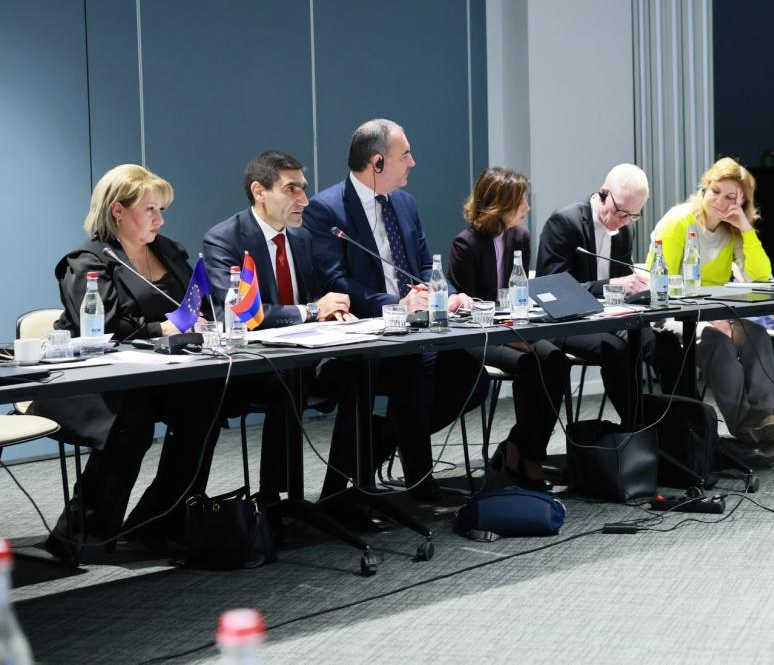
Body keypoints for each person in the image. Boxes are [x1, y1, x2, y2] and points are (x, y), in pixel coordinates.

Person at [33, 165, 224, 560]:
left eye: (162, 210)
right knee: (131, 423)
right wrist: (161, 329)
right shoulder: (87, 261)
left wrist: (200, 321)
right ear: (118, 210)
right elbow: (103, 328)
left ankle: (160, 520)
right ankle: (82, 533)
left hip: (159, 373)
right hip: (97, 380)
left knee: (206, 404)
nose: (160, 219)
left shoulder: (169, 250)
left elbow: (194, 302)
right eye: (150, 209)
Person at [303, 119, 484, 502]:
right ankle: (419, 483)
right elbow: (336, 281)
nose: (413, 163)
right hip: (365, 337)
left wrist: (447, 294)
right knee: (414, 375)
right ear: (378, 162)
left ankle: (383, 439)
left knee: (471, 375)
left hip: (416, 329)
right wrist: (395, 306)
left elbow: (423, 265)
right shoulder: (327, 209)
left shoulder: (404, 202)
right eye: (406, 155)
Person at [202, 151, 380, 528]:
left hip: (305, 356)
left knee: (363, 372)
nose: (304, 200)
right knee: (287, 383)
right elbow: (241, 314)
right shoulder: (225, 239)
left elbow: (319, 292)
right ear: (259, 191)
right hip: (254, 367)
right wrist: (313, 310)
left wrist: (336, 310)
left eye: (304, 188)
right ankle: (275, 501)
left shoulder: (301, 237)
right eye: (291, 189)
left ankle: (339, 493)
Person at [646, 158, 774, 453]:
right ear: (704, 189)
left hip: (715, 310)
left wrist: (746, 229)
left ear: (742, 202)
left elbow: (761, 276)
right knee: (716, 340)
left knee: (755, 334)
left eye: (730, 197)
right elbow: (661, 282)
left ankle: (767, 418)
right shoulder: (679, 220)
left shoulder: (733, 229)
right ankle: (746, 426)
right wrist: (707, 317)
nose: (719, 201)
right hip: (672, 312)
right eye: (715, 191)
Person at [535, 163, 684, 426]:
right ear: (603, 193)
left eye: (633, 215)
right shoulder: (565, 222)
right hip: (568, 322)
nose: (624, 221)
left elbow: (623, 284)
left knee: (667, 345)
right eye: (621, 212)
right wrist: (614, 284)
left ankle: (683, 428)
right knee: (618, 350)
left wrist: (642, 287)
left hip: (612, 318)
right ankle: (637, 427)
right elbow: (552, 289)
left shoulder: (624, 229)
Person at [450, 167, 569, 490]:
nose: (527, 207)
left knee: (556, 359)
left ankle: (519, 446)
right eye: (520, 202)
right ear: (499, 204)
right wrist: (512, 337)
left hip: (514, 327)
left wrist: (521, 332)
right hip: (479, 335)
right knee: (529, 364)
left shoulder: (521, 238)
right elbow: (468, 312)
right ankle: (529, 461)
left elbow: (520, 295)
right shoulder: (466, 244)